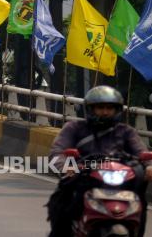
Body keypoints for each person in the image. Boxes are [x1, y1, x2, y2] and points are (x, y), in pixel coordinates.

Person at [47, 85, 152, 237]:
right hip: (85, 179)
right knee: (63, 199)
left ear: (117, 110)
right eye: (100, 107)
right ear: (90, 109)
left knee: (140, 200)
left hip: (121, 180)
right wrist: (66, 167)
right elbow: (57, 152)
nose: (105, 112)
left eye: (109, 108)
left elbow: (141, 152)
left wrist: (149, 167)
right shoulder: (75, 128)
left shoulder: (126, 131)